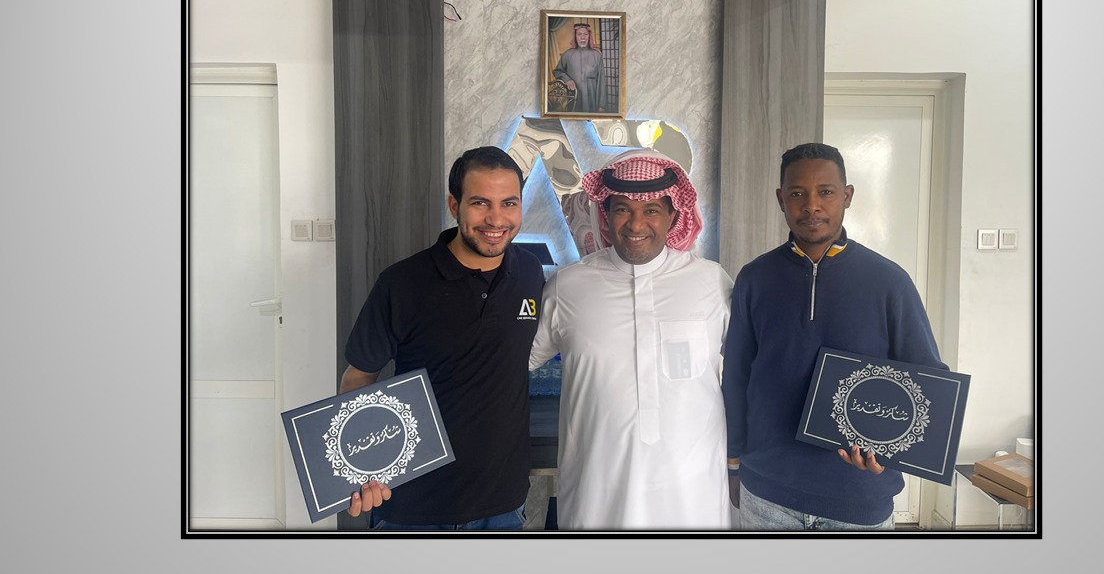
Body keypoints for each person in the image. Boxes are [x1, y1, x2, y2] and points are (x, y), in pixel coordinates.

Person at [721, 142, 947, 531]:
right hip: (768, 495)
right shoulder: (754, 279)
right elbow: (737, 376)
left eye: (825, 192)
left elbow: (927, 381)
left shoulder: (889, 282)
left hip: (858, 499)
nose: (811, 205)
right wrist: (733, 464)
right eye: (797, 194)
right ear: (781, 199)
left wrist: (889, 453)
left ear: (847, 196)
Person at [340, 146, 545, 530]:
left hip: (503, 504)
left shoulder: (530, 273)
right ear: (454, 205)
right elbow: (359, 375)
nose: (496, 219)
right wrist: (359, 466)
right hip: (413, 508)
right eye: (480, 203)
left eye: (509, 203)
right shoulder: (402, 284)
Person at [529, 149, 733, 530]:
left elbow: (756, 367)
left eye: (651, 210)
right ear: (606, 215)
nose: (636, 223)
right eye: (623, 209)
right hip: (596, 504)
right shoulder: (567, 286)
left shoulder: (712, 282)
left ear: (673, 215)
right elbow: (514, 362)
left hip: (693, 505)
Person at [551, 22, 605, 114]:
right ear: (575, 37)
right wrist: (567, 80)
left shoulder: (597, 55)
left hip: (592, 102)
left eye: (585, 34)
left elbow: (602, 82)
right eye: (579, 34)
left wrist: (602, 106)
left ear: (589, 36)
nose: (582, 37)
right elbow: (557, 71)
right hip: (573, 101)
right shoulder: (567, 55)